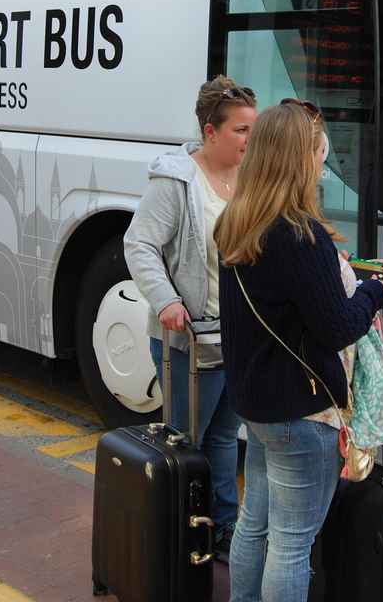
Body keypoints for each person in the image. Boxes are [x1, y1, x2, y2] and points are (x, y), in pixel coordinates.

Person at [215, 100, 383, 602]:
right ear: (302, 158)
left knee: (254, 526)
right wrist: (372, 293)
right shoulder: (302, 234)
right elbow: (337, 327)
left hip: (255, 406)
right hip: (302, 410)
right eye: (321, 151)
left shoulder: (236, 222)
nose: (324, 159)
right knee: (293, 545)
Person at [124, 75, 257, 559]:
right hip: (189, 339)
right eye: (241, 130)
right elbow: (139, 245)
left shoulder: (250, 177)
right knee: (187, 441)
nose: (250, 139)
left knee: (224, 436)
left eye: (252, 130)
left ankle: (221, 527)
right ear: (210, 131)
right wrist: (166, 301)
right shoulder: (178, 181)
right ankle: (180, 529)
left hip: (238, 336)